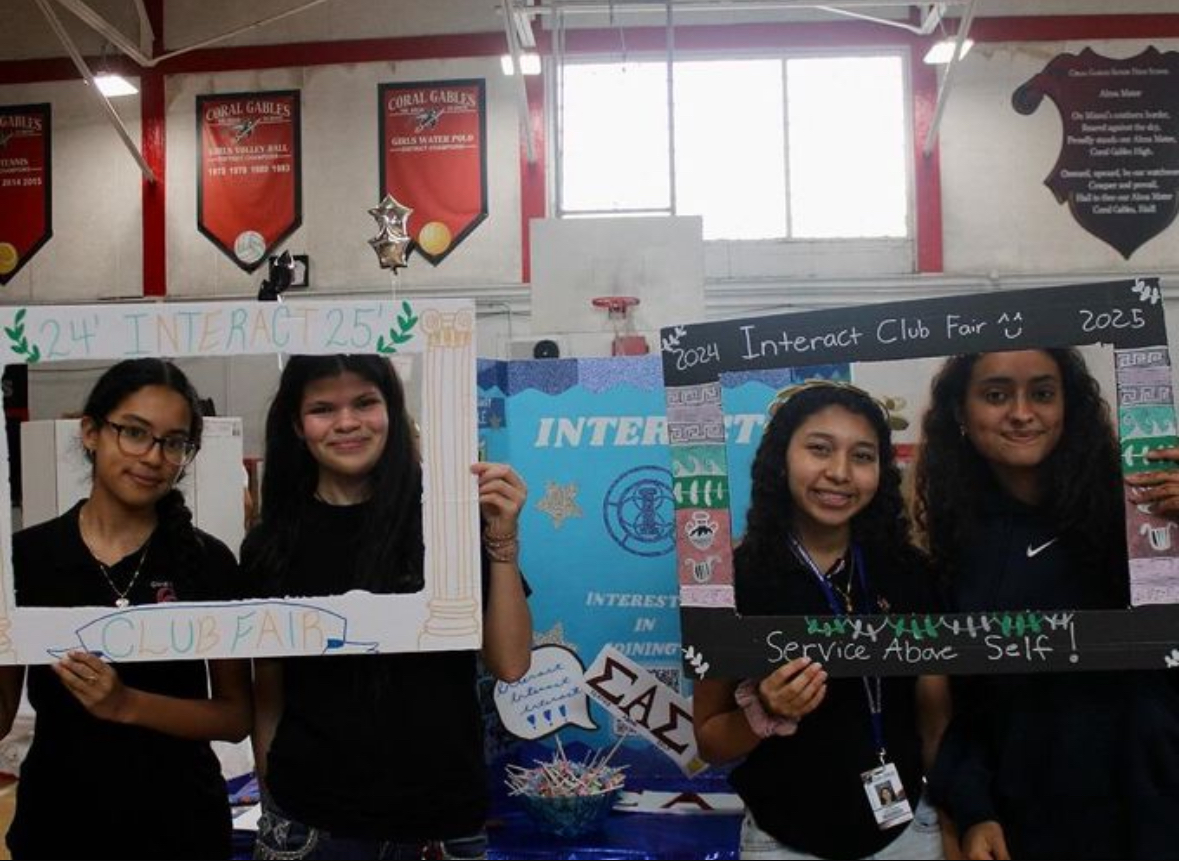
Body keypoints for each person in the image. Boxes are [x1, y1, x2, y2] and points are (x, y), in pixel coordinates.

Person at [244, 355, 532, 860]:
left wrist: (501, 538)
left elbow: (510, 662)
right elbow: (268, 691)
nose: (347, 422)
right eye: (322, 408)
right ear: (296, 424)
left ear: (392, 412)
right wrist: (277, 801)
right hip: (309, 826)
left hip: (440, 826)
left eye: (365, 403)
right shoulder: (271, 544)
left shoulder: (444, 518)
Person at [915, 348, 1179, 860]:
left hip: (1154, 806)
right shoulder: (952, 548)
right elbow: (961, 706)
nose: (1021, 412)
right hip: (1025, 820)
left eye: (1042, 393)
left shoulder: (1146, 517)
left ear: (1068, 407)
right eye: (996, 395)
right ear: (959, 413)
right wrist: (974, 810)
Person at [0, 358, 252, 859]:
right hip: (58, 823)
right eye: (134, 432)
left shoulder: (207, 561)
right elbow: (3, 715)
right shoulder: (25, 558)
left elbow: (234, 716)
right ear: (91, 432)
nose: (154, 456)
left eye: (175, 442)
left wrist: (126, 705)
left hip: (181, 825)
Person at [693, 380, 946, 860]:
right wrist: (766, 711)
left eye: (863, 456)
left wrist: (959, 818)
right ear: (781, 458)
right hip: (782, 840)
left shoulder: (909, 572)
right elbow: (710, 740)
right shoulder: (732, 582)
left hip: (908, 834)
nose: (839, 473)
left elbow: (934, 723)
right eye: (819, 449)